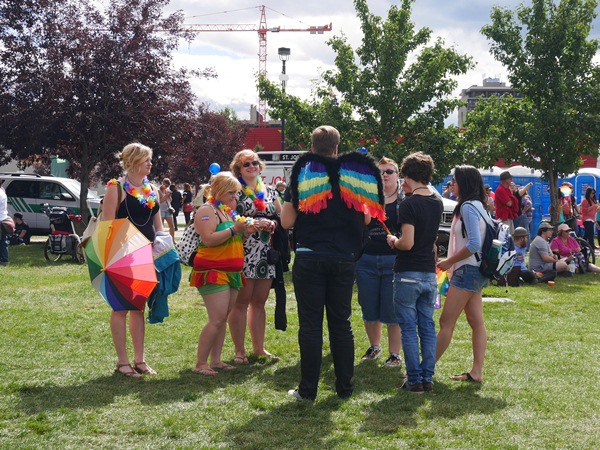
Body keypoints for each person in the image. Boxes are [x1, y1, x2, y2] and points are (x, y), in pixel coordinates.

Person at [281, 125, 383, 401]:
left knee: (311, 325)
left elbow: (287, 221)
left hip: (309, 255)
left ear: (312, 147)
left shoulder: (303, 176)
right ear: (337, 148)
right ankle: (344, 389)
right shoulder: (353, 178)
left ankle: (308, 390)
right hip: (343, 259)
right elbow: (366, 219)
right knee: (342, 324)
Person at [102, 142, 162, 378]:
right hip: (121, 255)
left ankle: (140, 360)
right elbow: (108, 226)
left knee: (138, 308)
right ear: (134, 161)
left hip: (146, 255)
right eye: (147, 159)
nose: (150, 163)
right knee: (120, 309)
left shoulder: (151, 188)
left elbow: (157, 224)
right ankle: (122, 362)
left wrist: (162, 243)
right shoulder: (115, 188)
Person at [386, 152, 442, 393]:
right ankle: (427, 378)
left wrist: (393, 240)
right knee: (427, 326)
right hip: (429, 273)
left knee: (408, 328)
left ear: (407, 176)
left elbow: (407, 242)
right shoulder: (437, 201)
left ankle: (415, 379)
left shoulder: (409, 204)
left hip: (408, 272)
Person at [189, 172, 256, 376]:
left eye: (236, 193)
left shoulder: (227, 211)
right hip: (213, 271)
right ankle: (201, 363)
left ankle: (216, 360)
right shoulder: (206, 210)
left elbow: (231, 240)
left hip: (231, 272)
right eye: (231, 193)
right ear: (218, 190)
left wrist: (244, 233)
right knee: (216, 318)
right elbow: (208, 239)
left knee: (223, 317)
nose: (235, 197)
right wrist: (235, 230)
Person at [436, 165, 490, 383]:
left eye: (455, 181)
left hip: (467, 270)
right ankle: (476, 372)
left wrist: (448, 261)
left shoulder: (468, 206)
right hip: (475, 271)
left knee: (446, 322)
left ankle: (423, 369)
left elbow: (474, 243)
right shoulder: (479, 205)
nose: (452, 185)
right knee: (477, 322)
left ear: (464, 183)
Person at [228, 150, 281, 364]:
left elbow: (278, 215)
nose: (252, 166)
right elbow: (227, 215)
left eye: (255, 163)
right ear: (238, 169)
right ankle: (240, 350)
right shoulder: (233, 190)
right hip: (242, 250)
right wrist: (252, 223)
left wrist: (273, 223)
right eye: (246, 164)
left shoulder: (268, 190)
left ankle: (259, 348)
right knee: (241, 303)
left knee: (259, 302)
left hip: (264, 253)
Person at [356, 156, 403, 368]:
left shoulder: (405, 199)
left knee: (392, 310)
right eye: (380, 172)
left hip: (394, 260)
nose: (384, 175)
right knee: (369, 307)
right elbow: (362, 225)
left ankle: (395, 354)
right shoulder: (368, 197)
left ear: (397, 175)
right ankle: (374, 346)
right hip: (367, 259)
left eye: (389, 171)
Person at [0, 180, 8, 266]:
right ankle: (4, 260)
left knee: (2, 242)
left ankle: (4, 260)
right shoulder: (2, 191)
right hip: (3, 218)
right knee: (3, 241)